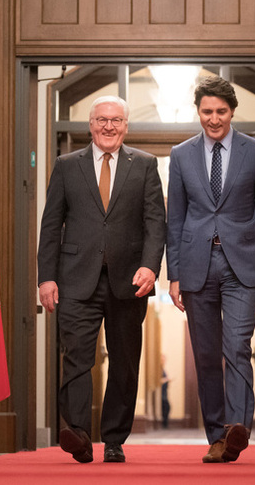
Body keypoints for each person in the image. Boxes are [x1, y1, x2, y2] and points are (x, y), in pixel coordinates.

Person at [37, 95, 166, 464]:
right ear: (90, 125)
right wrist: (46, 278)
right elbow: (51, 226)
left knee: (125, 361)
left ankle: (113, 438)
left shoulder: (144, 165)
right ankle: (77, 433)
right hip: (75, 280)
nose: (109, 126)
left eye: (116, 120)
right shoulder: (66, 166)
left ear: (126, 125)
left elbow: (156, 223)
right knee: (76, 356)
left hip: (129, 282)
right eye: (101, 120)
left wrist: (151, 266)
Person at [166, 75, 255, 463]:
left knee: (236, 347)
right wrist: (175, 274)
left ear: (232, 111)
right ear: (198, 112)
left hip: (243, 266)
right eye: (206, 111)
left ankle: (236, 428)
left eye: (221, 111)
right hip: (198, 266)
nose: (213, 119)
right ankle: (217, 436)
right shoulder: (181, 155)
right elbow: (175, 219)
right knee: (205, 355)